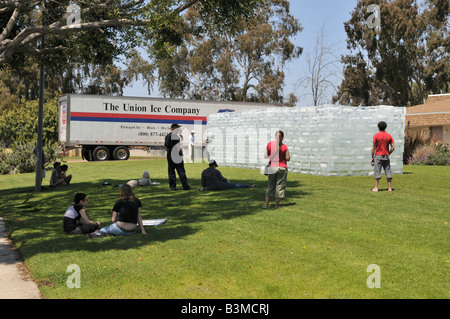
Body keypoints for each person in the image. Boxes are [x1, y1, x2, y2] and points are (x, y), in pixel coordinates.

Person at [263, 130, 290, 208]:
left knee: (270, 185)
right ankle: (276, 205)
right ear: (283, 138)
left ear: (275, 137)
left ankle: (266, 204)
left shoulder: (270, 145)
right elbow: (287, 158)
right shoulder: (285, 147)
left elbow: (266, 155)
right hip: (282, 168)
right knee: (280, 186)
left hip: (272, 167)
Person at [164, 123, 191, 190]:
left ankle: (173, 187)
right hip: (176, 155)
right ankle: (185, 186)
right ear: (174, 128)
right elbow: (178, 146)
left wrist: (169, 151)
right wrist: (181, 154)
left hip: (169, 155)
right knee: (181, 171)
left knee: (171, 171)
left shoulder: (167, 136)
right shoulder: (175, 135)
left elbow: (165, 146)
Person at [371, 121, 395, 192]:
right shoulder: (389, 136)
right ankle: (389, 188)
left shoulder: (376, 136)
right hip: (386, 156)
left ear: (378, 128)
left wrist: (372, 157)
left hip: (378, 156)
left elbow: (373, 148)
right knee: (388, 171)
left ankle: (376, 188)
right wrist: (388, 153)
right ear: (385, 127)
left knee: (377, 171)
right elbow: (393, 147)